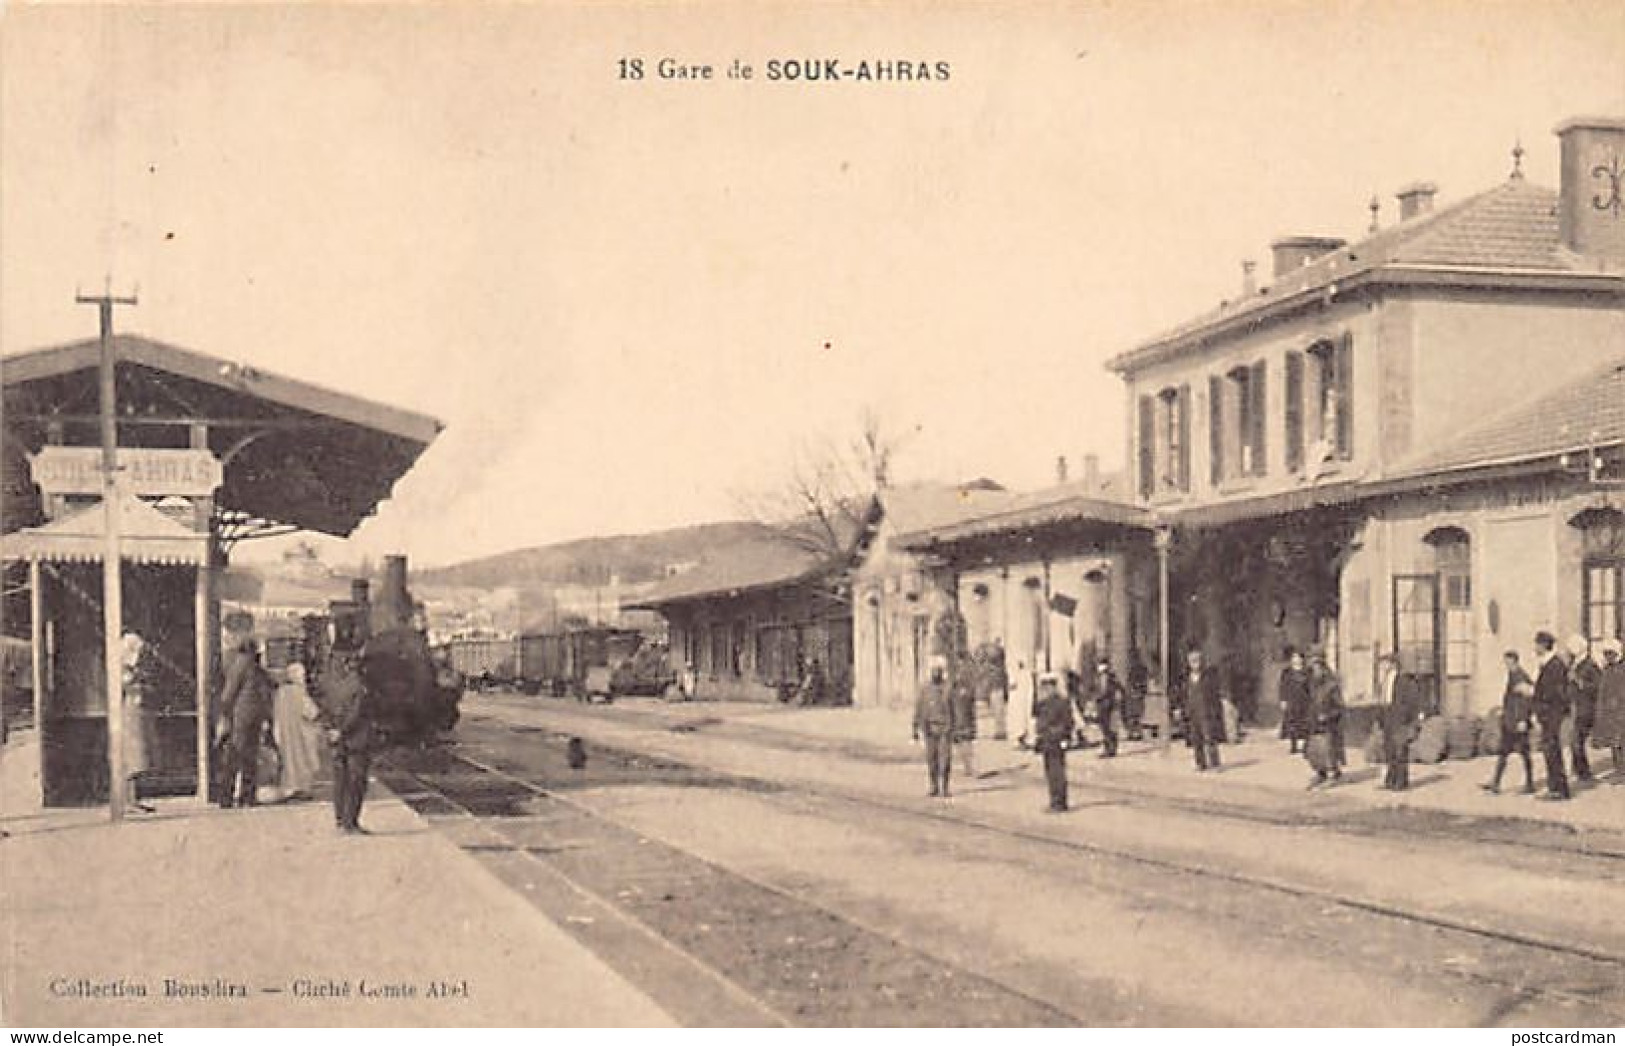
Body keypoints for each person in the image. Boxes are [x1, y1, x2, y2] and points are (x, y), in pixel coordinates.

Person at [216, 613, 274, 808]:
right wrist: (225, 713)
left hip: (246, 715)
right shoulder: (244, 663)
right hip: (243, 716)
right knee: (240, 755)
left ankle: (239, 795)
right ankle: (236, 795)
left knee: (244, 755)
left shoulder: (244, 663)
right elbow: (230, 692)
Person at [325, 635, 379, 833]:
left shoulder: (328, 681)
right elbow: (358, 710)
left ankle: (340, 821)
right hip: (356, 738)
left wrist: (331, 729)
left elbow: (324, 706)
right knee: (356, 781)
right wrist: (342, 730)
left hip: (336, 738)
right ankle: (351, 823)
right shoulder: (358, 682)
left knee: (340, 780)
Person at [1483, 650, 1536, 795]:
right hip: (1510, 720)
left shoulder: (1520, 676)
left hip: (1517, 722)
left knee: (1523, 752)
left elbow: (1526, 700)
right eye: (1506, 662)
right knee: (1505, 751)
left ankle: (1529, 783)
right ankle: (1496, 782)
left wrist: (1523, 719)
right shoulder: (1513, 675)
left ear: (1514, 661)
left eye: (1508, 662)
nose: (1506, 664)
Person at [271, 657, 325, 800]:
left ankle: (289, 788)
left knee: (288, 763)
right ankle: (303, 789)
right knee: (303, 763)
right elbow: (312, 713)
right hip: (302, 735)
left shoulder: (280, 693)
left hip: (284, 734)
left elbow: (275, 714)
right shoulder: (300, 693)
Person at [1531, 631, 1572, 801]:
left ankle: (1559, 789)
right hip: (1548, 713)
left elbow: (1555, 692)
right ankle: (1555, 787)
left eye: (1536, 644)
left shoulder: (1554, 665)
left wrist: (1536, 698)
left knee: (1552, 750)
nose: (1534, 648)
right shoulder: (1548, 664)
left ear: (1543, 645)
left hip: (1552, 714)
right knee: (1550, 750)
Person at [1377, 653, 1424, 791]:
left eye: (1384, 664)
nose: (1382, 667)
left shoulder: (1403, 680)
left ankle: (1401, 781)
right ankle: (1390, 779)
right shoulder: (1384, 681)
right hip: (1388, 719)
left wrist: (1413, 719)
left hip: (1400, 719)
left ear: (1392, 665)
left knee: (1400, 750)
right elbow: (1383, 700)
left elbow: (1412, 700)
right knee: (1389, 750)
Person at [120, 632, 155, 814]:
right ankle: (128, 800)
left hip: (136, 713)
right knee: (132, 757)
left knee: (138, 757)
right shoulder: (124, 670)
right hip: (129, 714)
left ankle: (134, 798)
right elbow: (128, 686)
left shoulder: (133, 670)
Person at [912, 655, 956, 798]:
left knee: (945, 759)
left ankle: (945, 786)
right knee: (931, 758)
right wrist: (915, 727)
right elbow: (919, 708)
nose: (935, 673)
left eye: (938, 670)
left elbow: (954, 708)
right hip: (929, 727)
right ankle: (934, 785)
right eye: (933, 670)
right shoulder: (925, 689)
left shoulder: (948, 688)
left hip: (945, 727)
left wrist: (956, 728)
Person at [1172, 647, 1222, 771]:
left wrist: (1215, 710)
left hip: (1206, 711)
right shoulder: (1185, 678)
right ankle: (1200, 763)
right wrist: (1178, 708)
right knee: (1195, 739)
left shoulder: (1208, 676)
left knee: (1209, 737)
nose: (1195, 663)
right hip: (1191, 711)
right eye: (1192, 661)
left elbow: (1215, 694)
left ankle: (1215, 764)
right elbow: (1180, 694)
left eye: (1197, 660)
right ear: (1189, 663)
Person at [1033, 671, 1075, 812]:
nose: (1044, 689)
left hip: (1055, 740)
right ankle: (1056, 801)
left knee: (1056, 773)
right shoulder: (1045, 702)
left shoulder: (1059, 702)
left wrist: (1065, 737)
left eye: (1047, 686)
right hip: (1048, 741)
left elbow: (1068, 722)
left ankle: (1058, 802)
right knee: (1052, 772)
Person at [1306, 650, 1345, 787]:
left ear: (1323, 667)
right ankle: (1320, 773)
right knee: (1314, 750)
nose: (1315, 670)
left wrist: (1328, 715)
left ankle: (1333, 773)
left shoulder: (1332, 685)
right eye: (1313, 667)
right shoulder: (1312, 683)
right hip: (1314, 722)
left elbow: (1340, 706)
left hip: (1328, 724)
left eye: (1317, 667)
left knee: (1328, 750)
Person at [1566, 635, 1601, 783]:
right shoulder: (1574, 664)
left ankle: (1584, 772)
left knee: (1577, 740)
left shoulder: (1590, 665)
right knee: (1574, 740)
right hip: (1575, 706)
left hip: (1585, 708)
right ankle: (1578, 769)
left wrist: (1579, 682)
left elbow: (1598, 686)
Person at [1592, 638, 1625, 775]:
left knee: (1621, 740)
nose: (1607, 656)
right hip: (1610, 710)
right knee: (1613, 740)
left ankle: (1622, 769)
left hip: (1621, 710)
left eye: (1610, 653)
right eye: (1606, 654)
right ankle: (1618, 768)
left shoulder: (1622, 668)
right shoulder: (1607, 669)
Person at [949, 655, 978, 780]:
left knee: (965, 744)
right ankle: (968, 767)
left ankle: (969, 767)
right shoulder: (954, 689)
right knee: (963, 744)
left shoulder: (964, 688)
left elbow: (971, 705)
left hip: (963, 719)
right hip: (959, 719)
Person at [1278, 648, 1312, 755]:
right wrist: (1283, 700)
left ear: (1302, 659)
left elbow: (1311, 686)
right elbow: (1283, 686)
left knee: (1305, 723)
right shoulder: (1286, 672)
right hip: (1292, 700)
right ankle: (1293, 746)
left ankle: (1306, 746)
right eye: (1294, 657)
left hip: (1305, 701)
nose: (1296, 659)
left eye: (1298, 657)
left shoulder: (1307, 671)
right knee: (1292, 723)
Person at [1092, 658, 1123, 758]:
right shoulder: (1100, 677)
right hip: (1103, 705)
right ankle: (1109, 748)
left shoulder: (1110, 677)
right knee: (1105, 728)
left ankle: (1111, 749)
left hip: (1107, 705)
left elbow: (1106, 691)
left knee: (1108, 728)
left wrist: (1098, 697)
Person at [1124, 650, 1148, 741]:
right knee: (1132, 714)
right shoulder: (1134, 669)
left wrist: (1137, 688)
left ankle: (1137, 733)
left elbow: (1142, 681)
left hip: (1137, 693)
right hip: (1133, 693)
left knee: (1136, 715)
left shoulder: (1139, 669)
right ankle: (1133, 732)